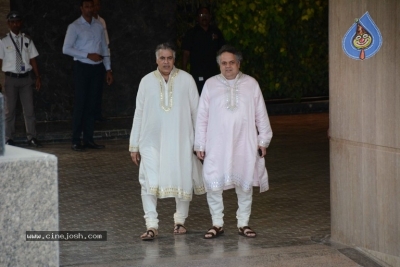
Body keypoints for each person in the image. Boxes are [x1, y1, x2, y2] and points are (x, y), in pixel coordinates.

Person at [194, 45, 273, 239]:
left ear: (238, 64)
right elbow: (202, 116)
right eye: (224, 63)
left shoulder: (251, 84)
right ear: (219, 65)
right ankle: (217, 223)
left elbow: (260, 114)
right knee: (213, 182)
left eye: (231, 62)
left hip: (243, 143)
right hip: (216, 144)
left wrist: (263, 140)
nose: (228, 66)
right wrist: (200, 144)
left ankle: (243, 223)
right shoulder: (211, 85)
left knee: (244, 182)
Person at [129, 43, 205, 241]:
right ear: (156, 60)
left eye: (169, 58)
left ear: (174, 59)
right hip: (151, 142)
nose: (166, 62)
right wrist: (134, 145)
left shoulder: (187, 80)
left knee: (182, 178)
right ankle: (151, 226)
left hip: (180, 140)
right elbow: (138, 113)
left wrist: (200, 143)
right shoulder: (146, 82)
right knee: (148, 182)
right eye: (162, 58)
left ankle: (180, 221)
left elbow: (197, 113)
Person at [62, 0, 113, 151]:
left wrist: (108, 69)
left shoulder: (98, 26)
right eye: (86, 7)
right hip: (82, 68)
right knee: (81, 104)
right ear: (81, 8)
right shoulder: (74, 26)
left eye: (91, 6)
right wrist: (87, 55)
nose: (89, 9)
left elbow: (104, 47)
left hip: (97, 69)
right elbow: (66, 49)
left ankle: (89, 139)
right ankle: (76, 140)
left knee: (92, 104)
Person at [0, 11, 43, 147]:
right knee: (9, 111)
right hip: (10, 79)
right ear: (8, 24)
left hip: (25, 79)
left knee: (29, 110)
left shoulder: (27, 40)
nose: (15, 24)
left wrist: (37, 77)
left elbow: (33, 59)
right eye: (12, 22)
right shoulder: (3, 42)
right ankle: (8, 139)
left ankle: (32, 137)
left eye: (17, 21)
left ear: (21, 23)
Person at [181, 6, 225, 95]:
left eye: (206, 14)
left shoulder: (216, 32)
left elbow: (223, 51)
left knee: (214, 96)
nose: (204, 17)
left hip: (213, 72)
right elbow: (186, 53)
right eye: (201, 14)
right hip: (197, 73)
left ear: (210, 16)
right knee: (199, 96)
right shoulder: (191, 33)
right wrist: (184, 70)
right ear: (197, 17)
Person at [93, 0, 109, 122]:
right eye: (93, 4)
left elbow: (106, 44)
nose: (95, 7)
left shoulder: (101, 21)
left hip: (99, 60)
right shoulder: (80, 24)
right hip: (85, 62)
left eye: (98, 4)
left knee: (98, 90)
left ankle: (97, 115)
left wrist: (109, 68)